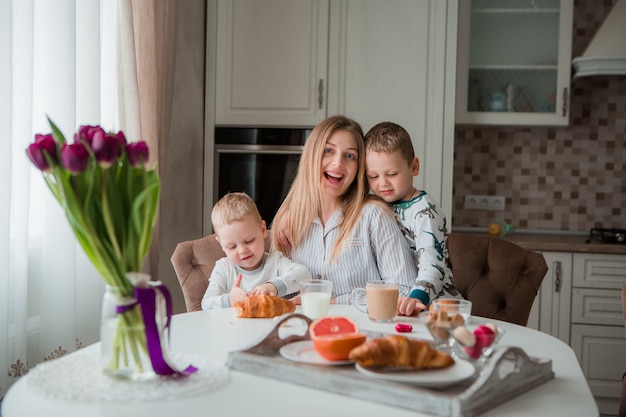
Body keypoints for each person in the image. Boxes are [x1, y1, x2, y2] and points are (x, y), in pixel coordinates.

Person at [272, 115, 424, 316]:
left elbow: (404, 292)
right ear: (312, 156)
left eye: (350, 156)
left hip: (361, 335)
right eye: (328, 151)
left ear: (359, 168)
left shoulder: (373, 216)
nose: (338, 162)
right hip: (301, 332)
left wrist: (336, 301)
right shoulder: (290, 221)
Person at [364, 121, 462, 307]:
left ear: (414, 167)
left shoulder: (424, 211)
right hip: (401, 302)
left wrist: (418, 297)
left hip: (436, 304)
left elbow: (433, 264)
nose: (383, 183)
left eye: (392, 174)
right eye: (373, 176)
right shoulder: (378, 204)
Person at [201, 192, 311, 310]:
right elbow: (206, 303)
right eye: (232, 246)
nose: (242, 250)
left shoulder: (275, 262)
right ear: (221, 244)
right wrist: (229, 299)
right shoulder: (224, 268)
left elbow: (304, 274)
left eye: (249, 241)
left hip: (273, 325)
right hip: (235, 327)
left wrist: (273, 286)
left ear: (263, 230)